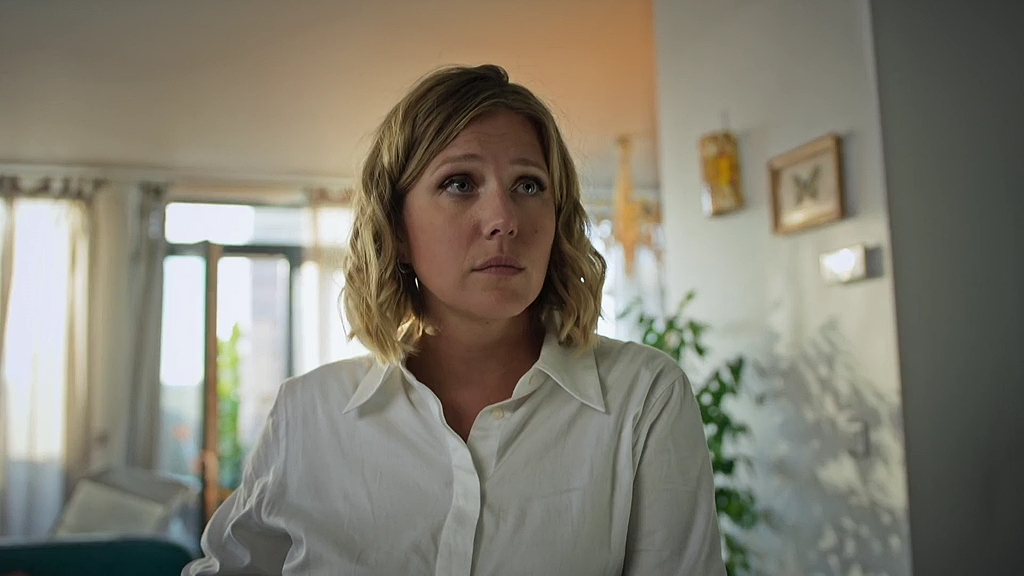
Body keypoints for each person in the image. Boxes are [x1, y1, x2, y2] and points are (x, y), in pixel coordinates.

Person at [183, 64, 725, 576]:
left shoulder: (643, 397)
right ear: (396, 228)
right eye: (460, 183)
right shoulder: (308, 414)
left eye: (528, 185)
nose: (504, 220)